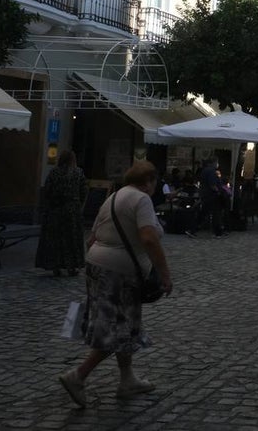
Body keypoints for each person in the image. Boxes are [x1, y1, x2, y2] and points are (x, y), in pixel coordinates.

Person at [58, 160, 173, 408]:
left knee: (124, 325)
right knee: (118, 328)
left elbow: (92, 238)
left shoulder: (113, 197)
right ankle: (78, 376)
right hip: (120, 272)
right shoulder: (141, 200)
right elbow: (149, 238)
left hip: (97, 265)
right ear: (149, 181)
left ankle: (127, 379)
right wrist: (164, 273)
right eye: (154, 181)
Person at [35, 150, 88, 277]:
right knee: (71, 239)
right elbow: (83, 191)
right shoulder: (78, 172)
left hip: (56, 210)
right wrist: (78, 205)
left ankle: (55, 266)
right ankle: (71, 267)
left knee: (55, 239)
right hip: (72, 211)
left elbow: (47, 191)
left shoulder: (54, 172)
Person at [198, 159, 226, 236]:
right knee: (215, 213)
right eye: (217, 163)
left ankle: (193, 229)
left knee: (204, 213)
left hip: (205, 194)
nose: (217, 164)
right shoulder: (212, 171)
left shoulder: (204, 171)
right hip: (211, 195)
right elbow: (212, 184)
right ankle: (218, 232)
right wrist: (219, 191)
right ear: (213, 163)